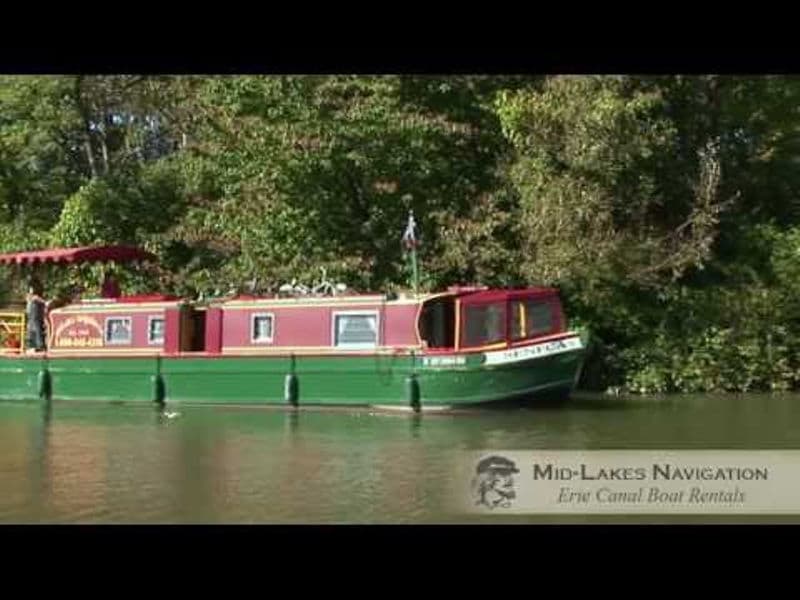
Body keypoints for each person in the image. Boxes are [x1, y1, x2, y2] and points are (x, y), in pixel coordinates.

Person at [25, 281, 46, 352]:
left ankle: (39, 346)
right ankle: (32, 346)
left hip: (35, 316)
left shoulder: (36, 298)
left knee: (36, 329)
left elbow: (42, 302)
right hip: (31, 316)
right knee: (31, 330)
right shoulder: (30, 297)